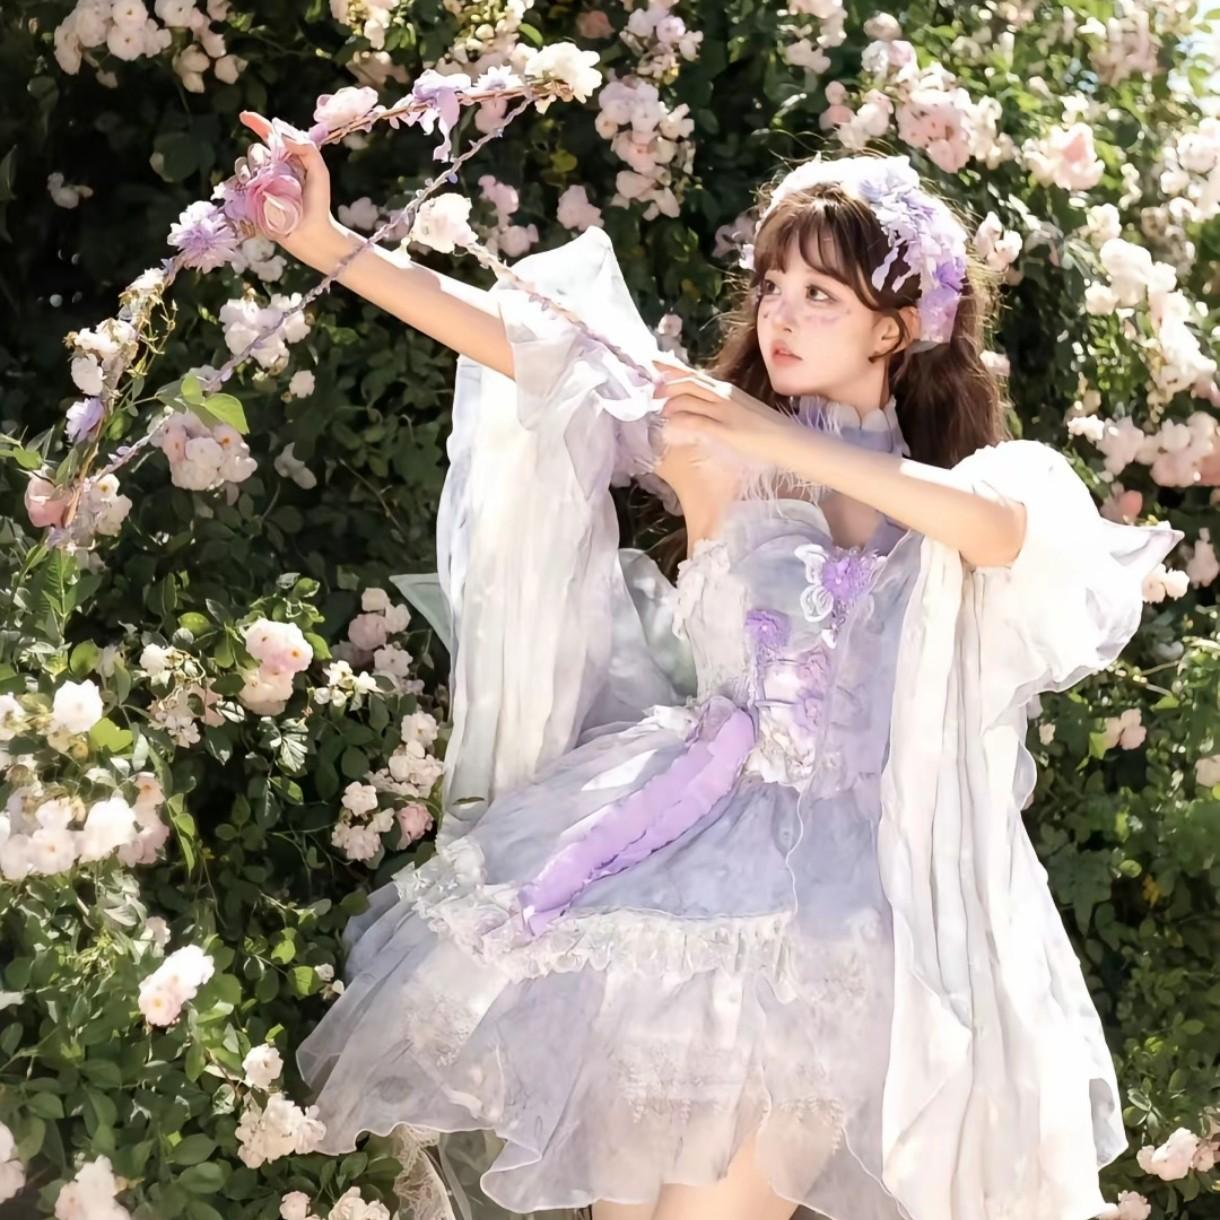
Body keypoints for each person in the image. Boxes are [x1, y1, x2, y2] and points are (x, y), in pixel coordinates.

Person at [238, 113, 1185, 1220]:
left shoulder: (963, 488)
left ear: (897, 327)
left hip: (850, 910)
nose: (779, 314)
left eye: (819, 295)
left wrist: (779, 438)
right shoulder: (709, 435)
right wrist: (326, 245)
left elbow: (1007, 534)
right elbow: (522, 343)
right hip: (685, 855)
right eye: (771, 286)